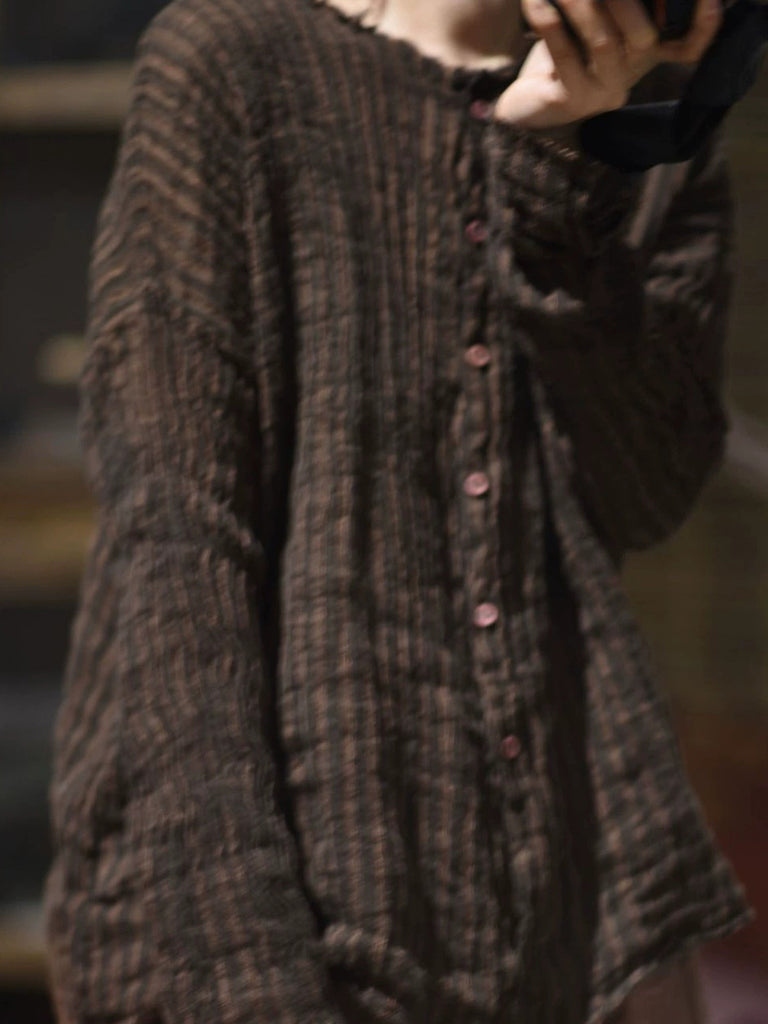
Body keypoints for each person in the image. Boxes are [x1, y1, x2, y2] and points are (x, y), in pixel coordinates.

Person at [43, 0, 755, 1021]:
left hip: (555, 922)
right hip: (252, 927)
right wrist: (251, 982)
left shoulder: (654, 119)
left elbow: (643, 493)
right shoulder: (236, 63)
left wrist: (563, 165)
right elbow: (178, 561)